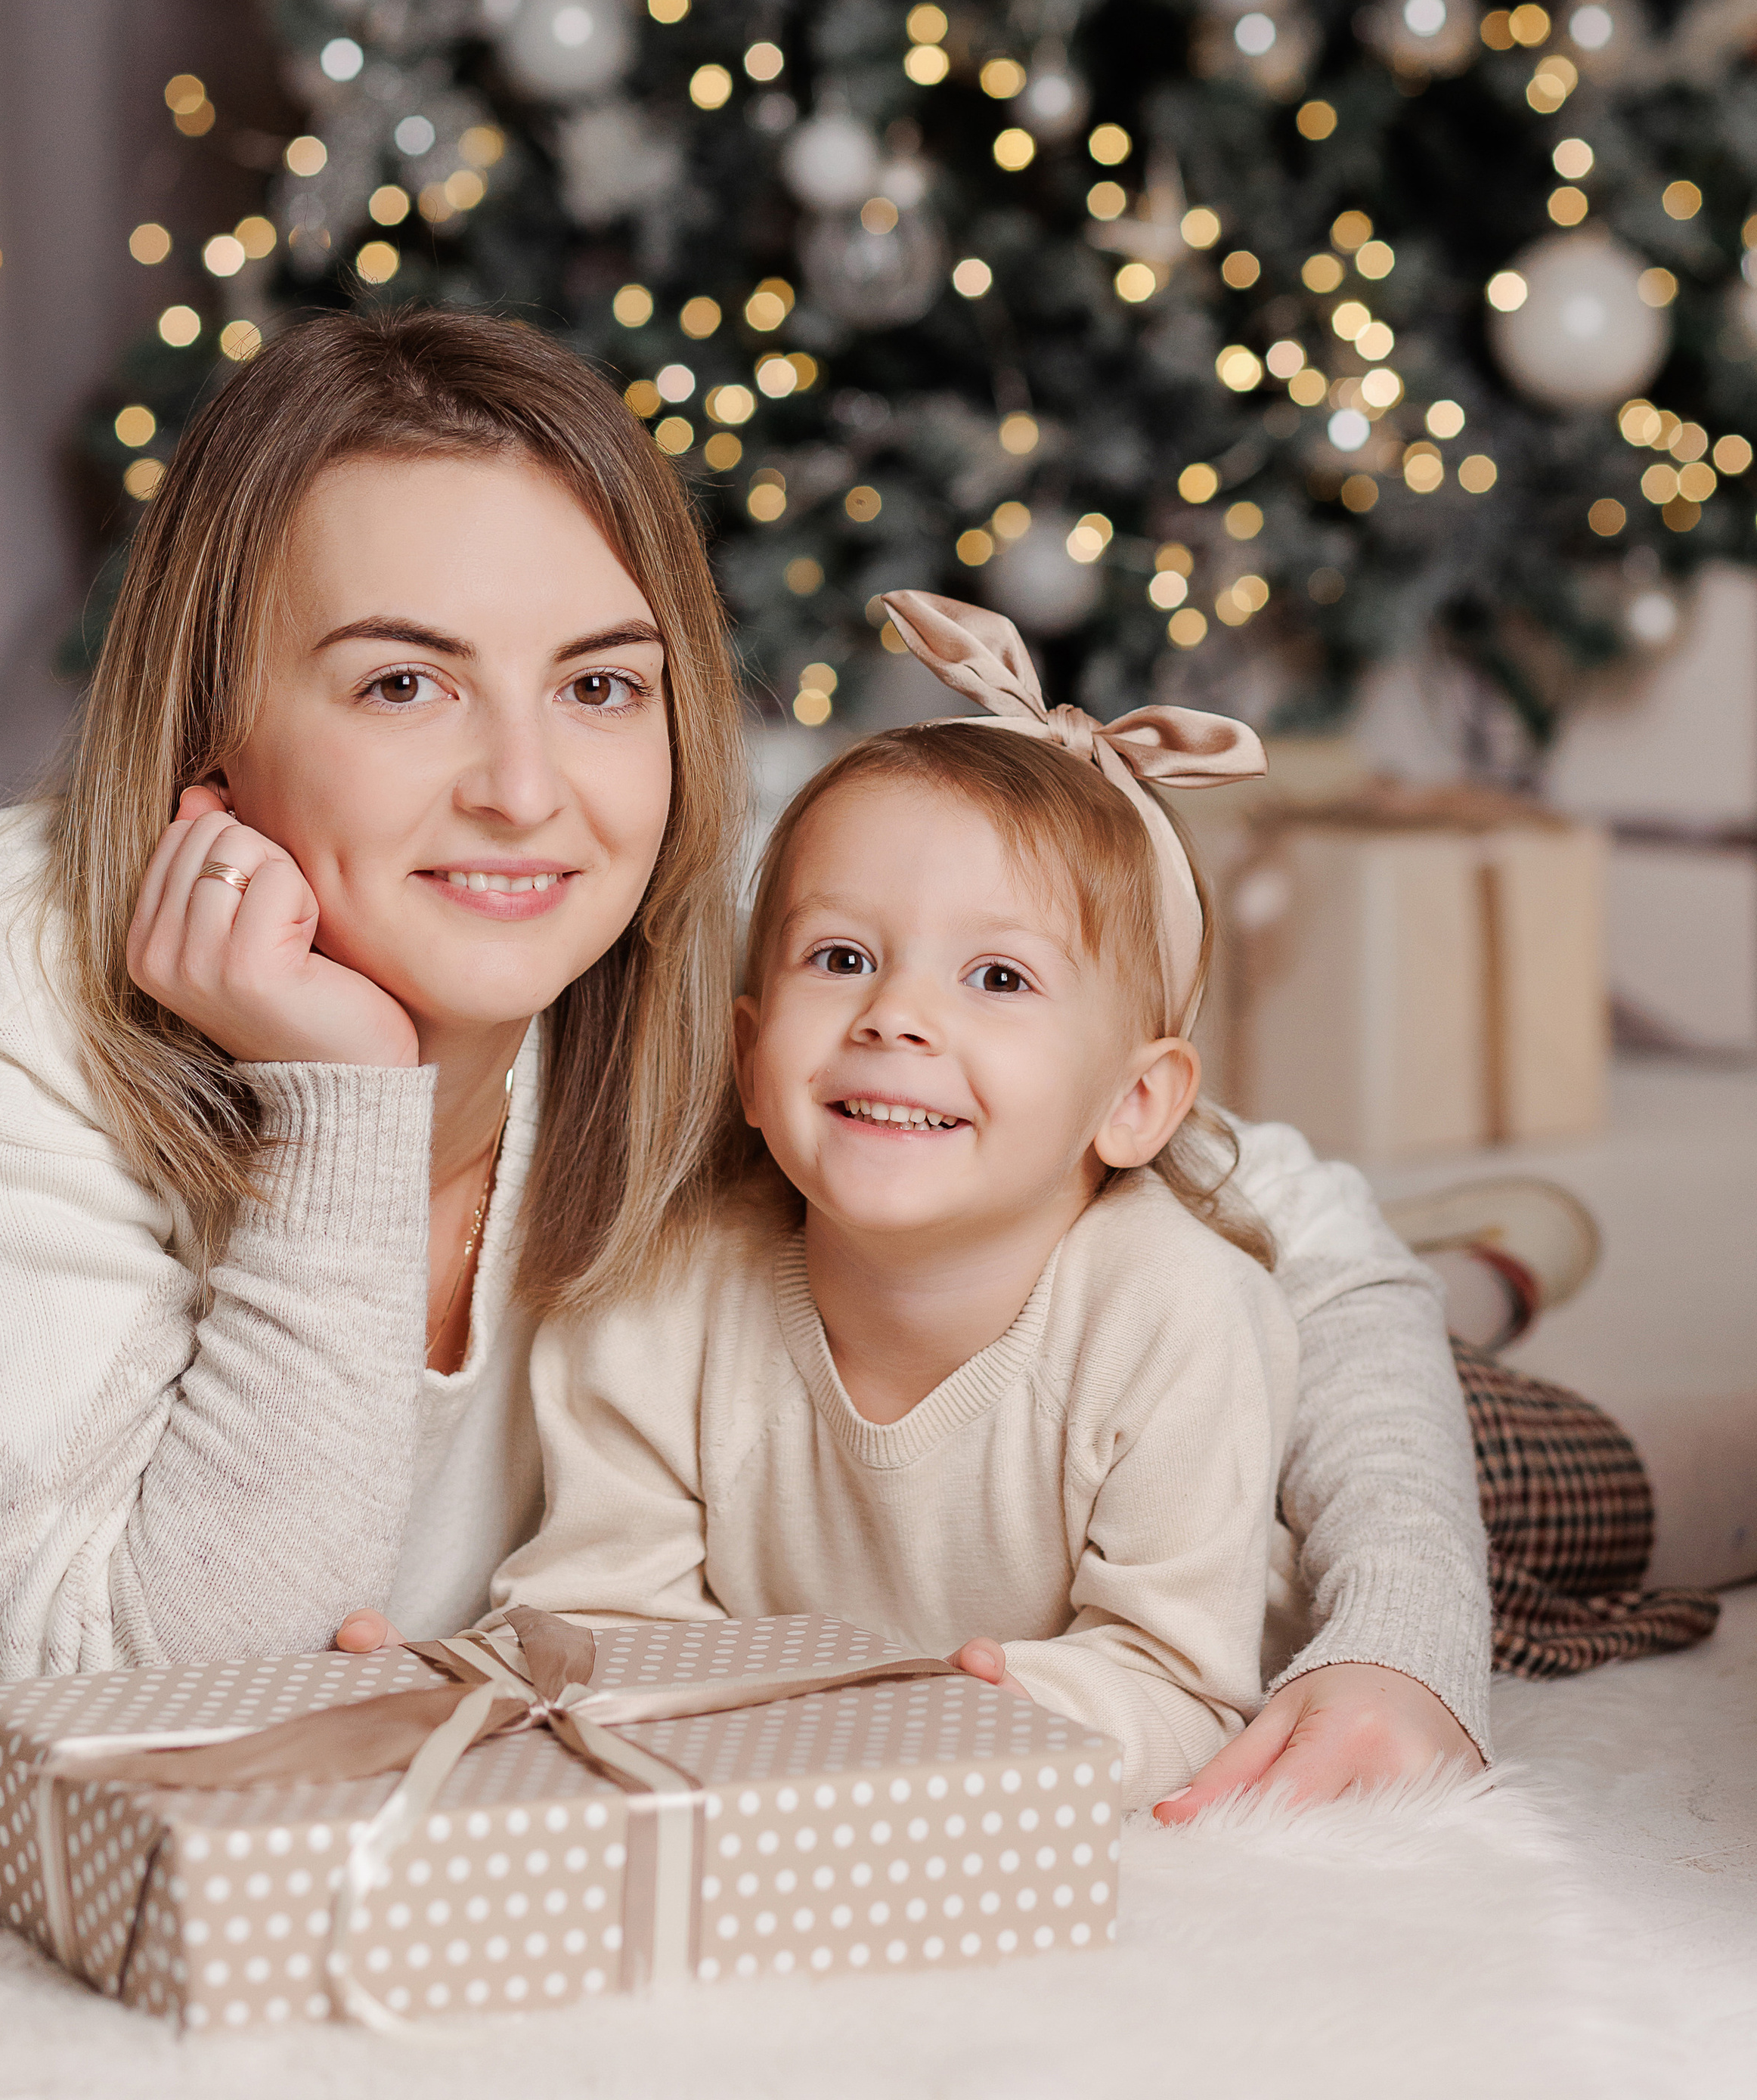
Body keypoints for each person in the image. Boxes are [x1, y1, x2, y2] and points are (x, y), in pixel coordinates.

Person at [0, 307, 1644, 1809]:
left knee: (1461, 1448)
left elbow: (1294, 1244)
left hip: (1009, 1414)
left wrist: (1400, 1637)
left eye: (601, 685)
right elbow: (146, 1697)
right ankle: (1490, 1268)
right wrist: (345, 1108)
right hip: (866, 1494)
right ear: (210, 711)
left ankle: (1481, 1269)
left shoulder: (689, 960)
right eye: (402, 683)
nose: (525, 792)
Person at [491, 596, 1299, 1810]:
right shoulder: (657, 1300)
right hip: (857, 1725)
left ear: (1133, 1102)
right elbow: (596, 1620)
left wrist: (944, 1731)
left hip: (1265, 1456)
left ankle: (1501, 1272)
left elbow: (1185, 1691)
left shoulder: (1177, 1317)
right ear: (753, 1060)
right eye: (842, 958)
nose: (895, 1016)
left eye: (998, 976)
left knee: (1560, 1487)